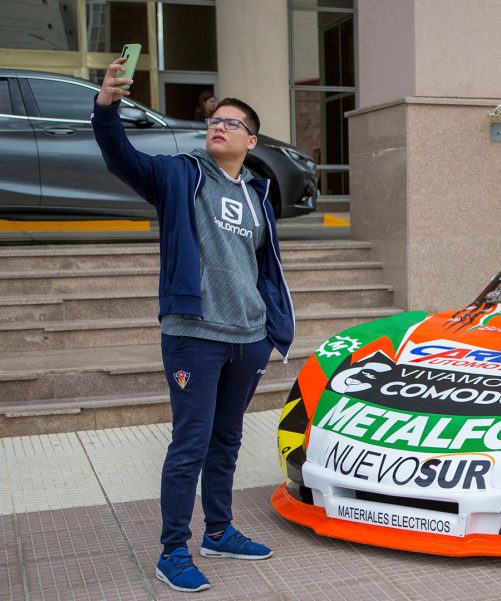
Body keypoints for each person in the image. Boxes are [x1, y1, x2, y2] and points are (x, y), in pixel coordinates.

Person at [92, 55, 294, 593]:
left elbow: (263, 266)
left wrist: (272, 327)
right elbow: (120, 157)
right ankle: (173, 549)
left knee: (226, 440)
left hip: (248, 339)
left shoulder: (257, 195)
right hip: (195, 336)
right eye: (213, 120)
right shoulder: (180, 174)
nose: (217, 126)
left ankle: (220, 531)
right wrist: (107, 106)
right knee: (190, 443)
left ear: (251, 140)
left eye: (230, 122)